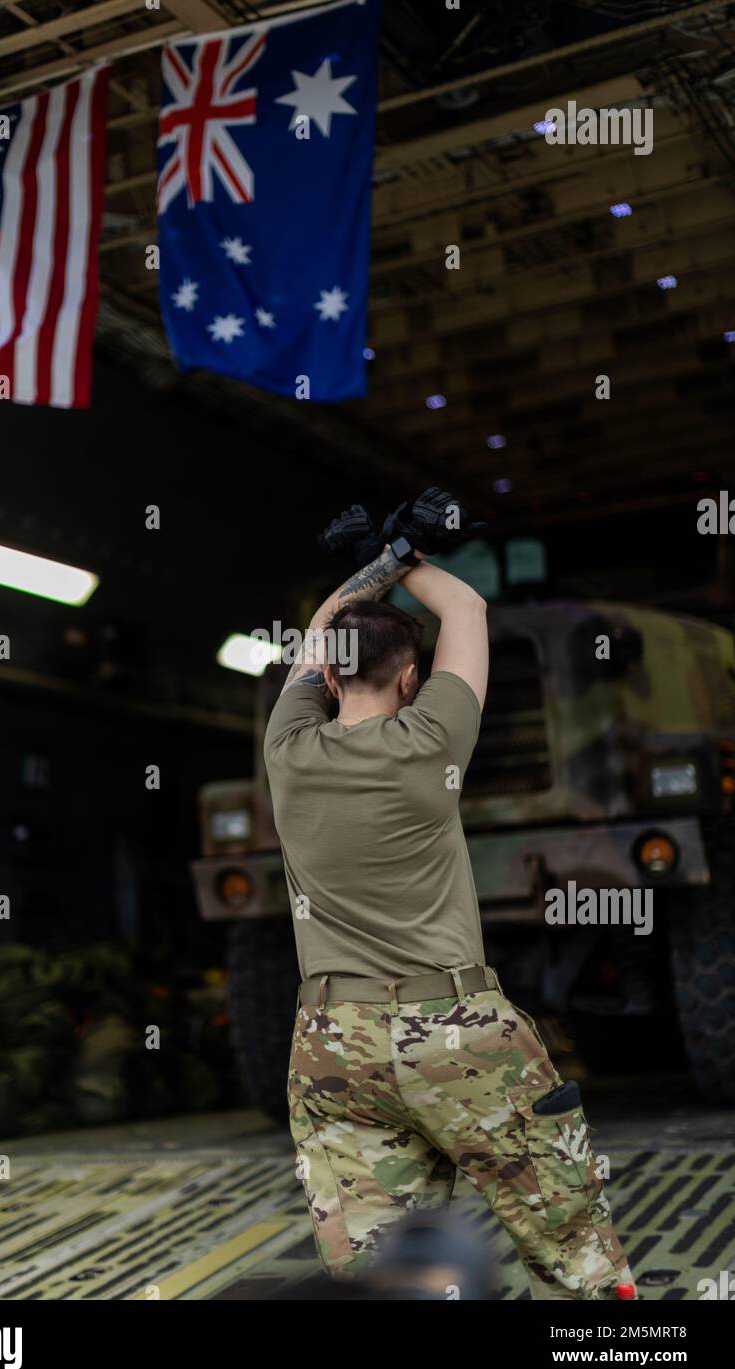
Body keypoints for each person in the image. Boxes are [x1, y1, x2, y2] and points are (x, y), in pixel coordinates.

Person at [263, 487, 636, 1301]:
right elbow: (465, 605)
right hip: (458, 1039)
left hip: (331, 1044)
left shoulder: (286, 748)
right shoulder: (431, 739)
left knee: (378, 1282)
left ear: (326, 674)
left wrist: (370, 565)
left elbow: (325, 628)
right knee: (573, 1255)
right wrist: (412, 558)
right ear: (413, 679)